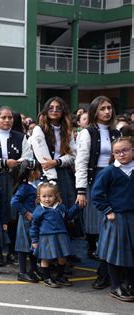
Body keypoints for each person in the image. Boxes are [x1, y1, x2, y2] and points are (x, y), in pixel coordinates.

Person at [75, 96, 121, 289]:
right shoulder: (87, 133)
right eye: (102, 108)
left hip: (115, 182)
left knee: (114, 229)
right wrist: (81, 191)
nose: (107, 111)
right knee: (101, 230)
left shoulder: (115, 132)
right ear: (95, 111)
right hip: (96, 183)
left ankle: (111, 272)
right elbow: (81, 162)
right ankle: (103, 273)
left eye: (109, 108)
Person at [0, 106, 33, 264]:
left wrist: (17, 163)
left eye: (10, 117)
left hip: (15, 179)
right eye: (3, 117)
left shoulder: (20, 136)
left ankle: (12, 251)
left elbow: (28, 156)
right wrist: (3, 163)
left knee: (13, 214)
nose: (7, 120)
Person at [91, 137, 134, 302]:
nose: (121, 154)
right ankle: (116, 286)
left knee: (132, 252)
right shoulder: (108, 172)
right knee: (115, 253)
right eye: (117, 152)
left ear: (132, 151)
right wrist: (108, 211)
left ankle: (130, 283)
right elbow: (97, 195)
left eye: (125, 150)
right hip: (116, 218)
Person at [30, 183, 82, 288]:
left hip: (61, 237)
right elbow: (34, 227)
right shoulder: (39, 210)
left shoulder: (60, 207)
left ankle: (60, 276)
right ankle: (47, 278)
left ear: (56, 196)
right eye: (44, 196)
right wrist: (34, 240)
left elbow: (69, 215)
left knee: (62, 257)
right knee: (45, 259)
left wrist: (77, 206)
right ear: (39, 197)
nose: (47, 199)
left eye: (50, 196)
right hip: (46, 238)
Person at [30, 97, 76, 206]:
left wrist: (57, 162)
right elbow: (44, 160)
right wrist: (53, 181)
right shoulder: (39, 129)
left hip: (65, 172)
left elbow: (73, 155)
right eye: (51, 108)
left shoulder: (68, 130)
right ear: (46, 110)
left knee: (67, 207)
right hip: (47, 174)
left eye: (58, 108)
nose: (54, 110)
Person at [11, 163, 43, 283]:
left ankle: (33, 269)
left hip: (32, 221)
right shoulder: (25, 187)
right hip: (26, 221)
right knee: (24, 246)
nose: (40, 172)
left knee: (32, 246)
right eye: (38, 170)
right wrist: (26, 213)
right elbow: (14, 202)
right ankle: (22, 272)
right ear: (32, 173)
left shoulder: (33, 186)